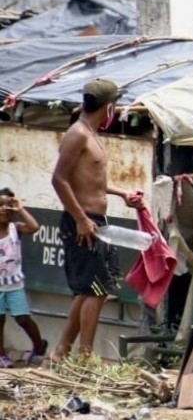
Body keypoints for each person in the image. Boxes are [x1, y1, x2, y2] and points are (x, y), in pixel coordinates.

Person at [49, 79, 144, 361]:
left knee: (91, 289)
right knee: (96, 289)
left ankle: (62, 351)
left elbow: (90, 180)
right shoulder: (78, 133)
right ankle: (85, 356)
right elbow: (59, 179)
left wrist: (122, 193)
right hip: (83, 220)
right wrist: (80, 219)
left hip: (95, 219)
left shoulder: (91, 132)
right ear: (110, 106)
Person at [0, 188, 45, 366]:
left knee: (23, 318)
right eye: (0, 205)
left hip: (14, 284)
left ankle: (39, 346)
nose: (4, 209)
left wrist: (20, 209)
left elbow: (34, 227)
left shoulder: (15, 229)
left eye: (8, 205)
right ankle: (1, 355)